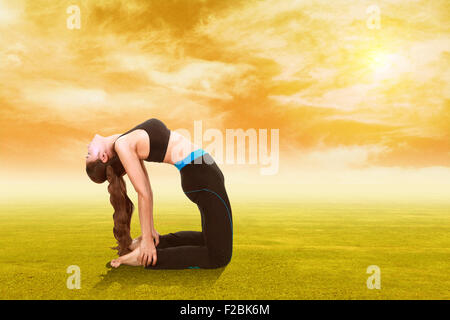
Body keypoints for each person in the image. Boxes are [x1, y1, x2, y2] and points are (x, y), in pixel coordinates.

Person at [85, 118, 233, 269]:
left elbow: (146, 188)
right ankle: (146, 257)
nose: (87, 148)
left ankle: (158, 244)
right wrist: (147, 242)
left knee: (210, 240)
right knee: (219, 256)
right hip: (203, 178)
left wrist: (150, 233)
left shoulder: (124, 141)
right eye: (88, 155)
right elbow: (143, 193)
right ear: (103, 157)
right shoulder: (123, 145)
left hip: (201, 175)